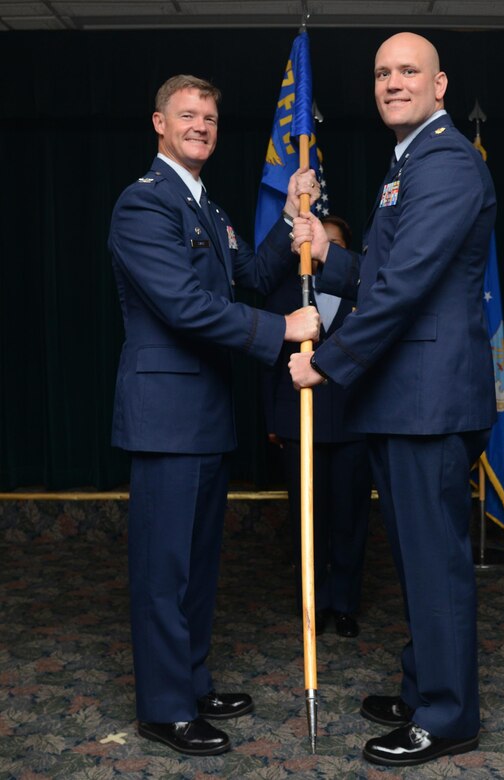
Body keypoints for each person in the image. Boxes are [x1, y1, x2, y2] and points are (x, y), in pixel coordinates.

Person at [289, 33, 497, 768]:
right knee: (415, 559)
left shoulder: (444, 162)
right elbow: (382, 270)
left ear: (440, 87)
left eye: (409, 71)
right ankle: (424, 688)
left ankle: (447, 718)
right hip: (406, 399)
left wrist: (330, 365)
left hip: (426, 401)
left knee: (433, 563)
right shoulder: (408, 163)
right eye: (382, 73)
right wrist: (323, 241)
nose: (392, 82)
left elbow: (404, 288)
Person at [108, 74, 320, 757]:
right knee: (163, 569)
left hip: (204, 413)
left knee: (197, 565)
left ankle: (192, 683)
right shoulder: (143, 207)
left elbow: (245, 280)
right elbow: (184, 306)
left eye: (209, 117)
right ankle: (163, 708)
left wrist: (291, 218)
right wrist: (282, 331)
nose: (200, 124)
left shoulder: (208, 208)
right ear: (159, 123)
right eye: (187, 114)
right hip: (165, 415)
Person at [262, 215, 372, 638]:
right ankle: (312, 604)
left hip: (353, 424)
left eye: (335, 244)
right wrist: (273, 419)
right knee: (308, 522)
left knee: (350, 520)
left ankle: (344, 604)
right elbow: (269, 363)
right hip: (299, 423)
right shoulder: (284, 291)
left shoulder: (365, 294)